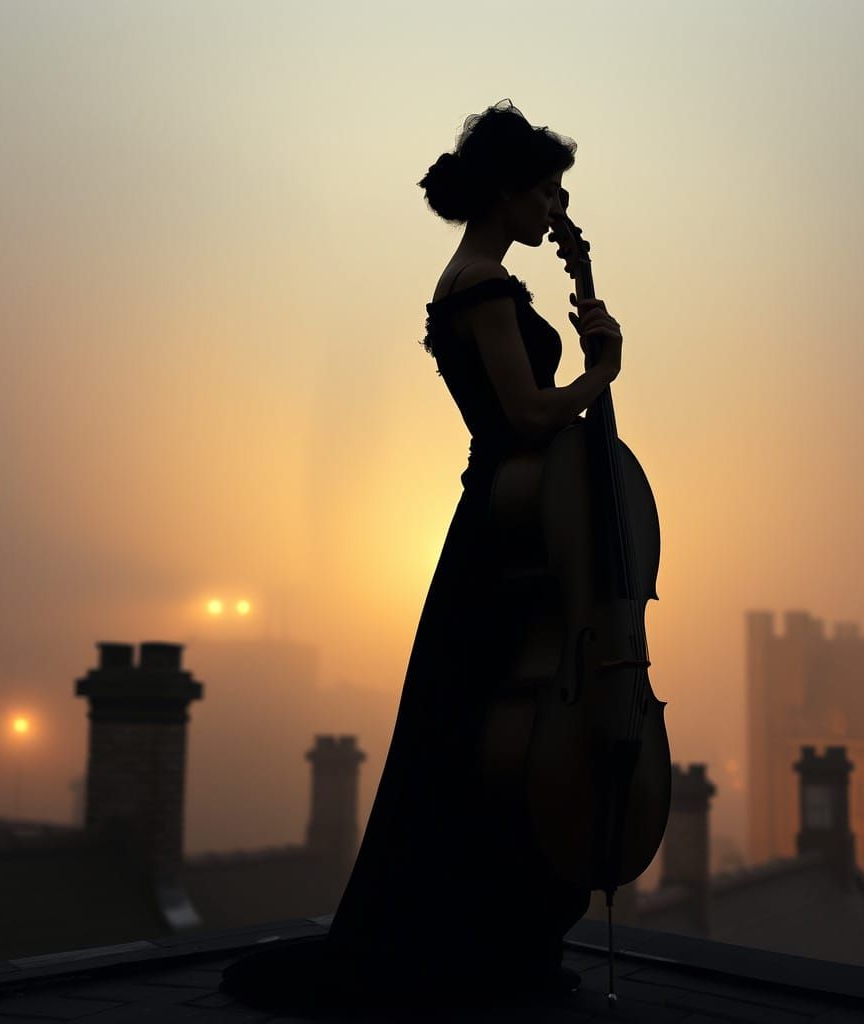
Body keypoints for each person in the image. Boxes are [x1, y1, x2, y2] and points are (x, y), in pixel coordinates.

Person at [220, 99, 624, 1013]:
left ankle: (483, 938)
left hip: (505, 525)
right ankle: (468, 948)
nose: (559, 202)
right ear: (512, 192)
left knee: (476, 735)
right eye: (550, 186)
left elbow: (526, 415)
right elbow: (523, 417)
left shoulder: (479, 276)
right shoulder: (480, 283)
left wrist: (584, 369)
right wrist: (601, 376)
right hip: (501, 531)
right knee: (479, 740)